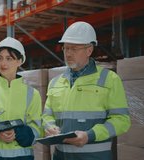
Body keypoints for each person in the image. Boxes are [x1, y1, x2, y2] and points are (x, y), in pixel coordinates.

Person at [42, 21, 131, 160]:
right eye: (66, 48)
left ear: (89, 50)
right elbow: (47, 115)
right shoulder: (55, 83)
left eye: (74, 48)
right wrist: (50, 127)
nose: (68, 53)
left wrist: (90, 135)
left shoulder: (109, 79)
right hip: (61, 156)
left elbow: (121, 121)